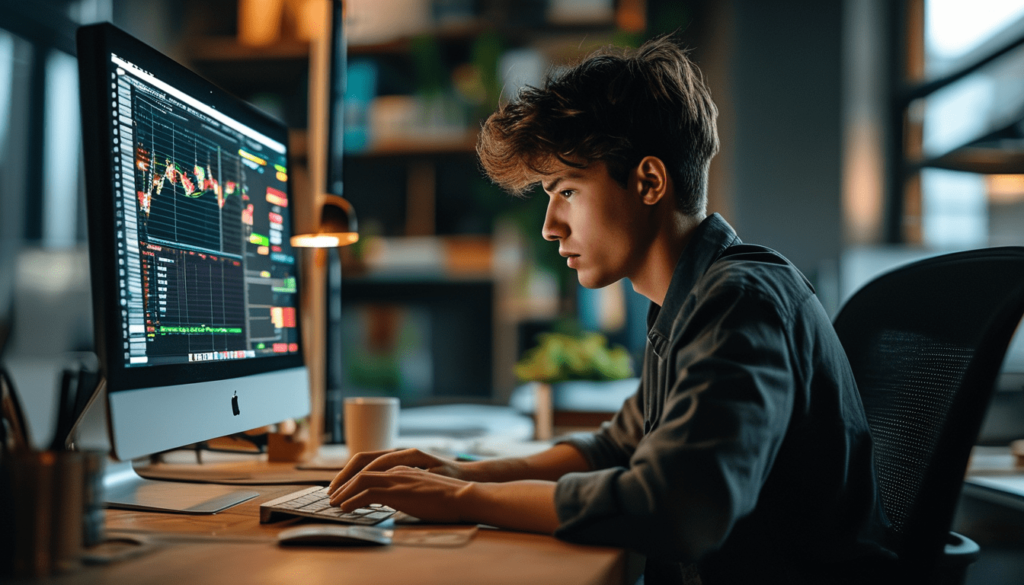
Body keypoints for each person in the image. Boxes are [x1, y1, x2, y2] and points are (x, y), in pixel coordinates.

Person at [327, 35, 893, 584]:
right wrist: (461, 472)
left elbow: (675, 509)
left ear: (648, 181)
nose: (550, 226)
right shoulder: (689, 301)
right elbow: (614, 448)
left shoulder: (738, 302)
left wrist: (464, 499)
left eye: (566, 191)